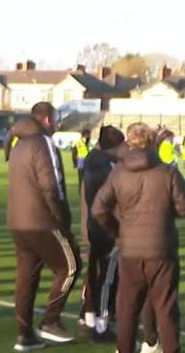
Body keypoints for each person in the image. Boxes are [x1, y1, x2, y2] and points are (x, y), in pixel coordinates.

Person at [92, 122, 185, 353]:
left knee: (127, 308)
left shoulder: (119, 172)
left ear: (129, 143)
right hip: (161, 248)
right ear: (153, 143)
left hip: (131, 249)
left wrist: (118, 230)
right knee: (166, 307)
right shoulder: (167, 172)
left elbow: (98, 209)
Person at [7, 102, 80, 351]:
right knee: (70, 266)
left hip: (18, 222)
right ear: (48, 119)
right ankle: (50, 321)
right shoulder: (43, 143)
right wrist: (62, 218)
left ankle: (25, 335)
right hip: (42, 220)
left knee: (26, 277)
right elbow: (51, 185)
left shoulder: (19, 145)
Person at [79, 125, 125, 342]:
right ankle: (101, 325)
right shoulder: (109, 167)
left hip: (95, 225)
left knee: (95, 273)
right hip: (107, 227)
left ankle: (89, 316)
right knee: (107, 277)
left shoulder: (93, 160)